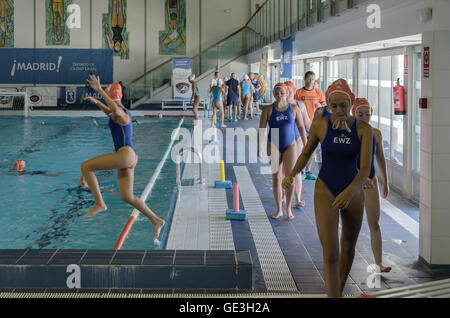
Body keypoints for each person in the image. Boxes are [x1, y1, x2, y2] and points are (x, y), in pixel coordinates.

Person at [283, 79, 373, 298]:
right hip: (325, 189)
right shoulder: (321, 125)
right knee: (331, 253)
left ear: (351, 104)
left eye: (344, 105)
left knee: (349, 246)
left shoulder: (364, 129)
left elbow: (364, 170)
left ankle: (337, 291)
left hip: (353, 191)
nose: (340, 110)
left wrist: (350, 192)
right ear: (329, 106)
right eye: (335, 106)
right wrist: (292, 174)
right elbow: (306, 152)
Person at [82, 74, 165, 241]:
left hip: (125, 155)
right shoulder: (118, 113)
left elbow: (115, 110)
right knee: (127, 197)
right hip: (129, 157)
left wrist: (99, 90)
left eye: (106, 94)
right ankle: (156, 220)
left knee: (85, 167)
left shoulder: (122, 113)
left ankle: (100, 203)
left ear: (111, 95)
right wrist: (97, 101)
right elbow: (110, 111)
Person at [352, 98, 391, 273]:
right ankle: (343, 259)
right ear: (354, 114)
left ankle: (379, 263)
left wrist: (385, 182)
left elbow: (380, 158)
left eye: (367, 114)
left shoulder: (376, 134)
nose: (364, 118)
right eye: (360, 114)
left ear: (371, 114)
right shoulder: (348, 132)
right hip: (352, 182)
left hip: (371, 181)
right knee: (351, 225)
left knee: (374, 223)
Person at [258, 83, 307, 220]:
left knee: (289, 178)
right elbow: (261, 129)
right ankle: (279, 209)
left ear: (287, 94)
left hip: (290, 145)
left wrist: (305, 144)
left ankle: (288, 208)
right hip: (273, 143)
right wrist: (259, 147)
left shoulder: (293, 108)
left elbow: (301, 127)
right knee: (276, 177)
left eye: (282, 93)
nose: (279, 95)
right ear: (273, 94)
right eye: (276, 93)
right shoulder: (268, 109)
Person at [294, 71, 326, 180]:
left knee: (313, 148)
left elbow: (325, 104)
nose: (311, 81)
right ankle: (301, 171)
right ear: (304, 78)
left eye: (313, 79)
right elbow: (293, 106)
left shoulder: (318, 92)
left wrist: (321, 105)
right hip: (301, 124)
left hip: (315, 123)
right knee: (302, 147)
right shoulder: (299, 92)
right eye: (309, 78)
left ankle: (307, 170)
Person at [285, 81, 307, 208]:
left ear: (293, 91)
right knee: (282, 170)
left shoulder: (300, 105)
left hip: (297, 139)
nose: (287, 93)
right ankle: (283, 194)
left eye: (289, 90)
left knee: (297, 169)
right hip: (282, 140)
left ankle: (298, 198)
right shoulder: (278, 106)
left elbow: (306, 124)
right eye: (285, 90)